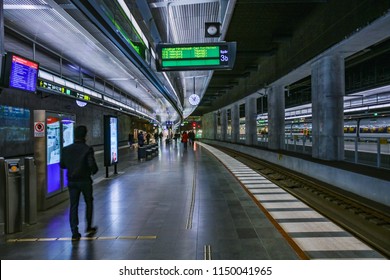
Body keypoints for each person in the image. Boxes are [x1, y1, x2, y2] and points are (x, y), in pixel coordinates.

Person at [60, 125, 98, 241]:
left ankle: (74, 232)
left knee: (73, 205)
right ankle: (89, 227)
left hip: (72, 181)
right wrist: (93, 170)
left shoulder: (66, 149)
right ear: (85, 135)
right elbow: (92, 166)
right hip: (85, 181)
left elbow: (62, 165)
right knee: (89, 202)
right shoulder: (87, 149)